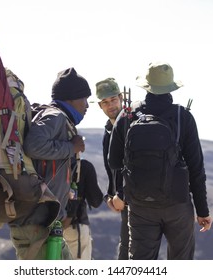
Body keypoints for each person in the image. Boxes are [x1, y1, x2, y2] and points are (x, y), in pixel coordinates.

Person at [0, 67, 92, 260]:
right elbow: (33, 146)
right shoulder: (56, 117)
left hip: (42, 225)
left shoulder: (50, 117)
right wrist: (71, 148)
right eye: (84, 98)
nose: (87, 105)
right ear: (71, 99)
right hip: (35, 227)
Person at [108, 61, 212, 260]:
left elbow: (114, 161)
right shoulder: (183, 117)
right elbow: (196, 168)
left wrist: (122, 194)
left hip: (140, 205)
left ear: (146, 86)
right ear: (170, 87)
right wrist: (202, 210)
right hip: (177, 205)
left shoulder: (128, 115)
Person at [95, 77, 129, 259]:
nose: (110, 106)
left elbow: (133, 166)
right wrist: (110, 195)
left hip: (139, 201)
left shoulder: (133, 125)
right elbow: (112, 169)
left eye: (113, 100)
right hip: (124, 203)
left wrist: (121, 195)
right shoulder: (108, 130)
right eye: (105, 102)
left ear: (121, 97)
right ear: (100, 106)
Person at [63, 157, 104, 259]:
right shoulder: (83, 166)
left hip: (47, 228)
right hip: (75, 227)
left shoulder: (46, 161)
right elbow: (96, 201)